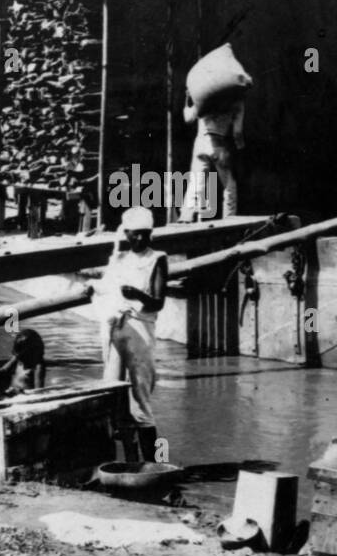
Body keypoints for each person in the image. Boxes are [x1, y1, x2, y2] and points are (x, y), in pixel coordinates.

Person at [94, 205, 168, 460]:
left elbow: (158, 302)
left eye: (144, 233)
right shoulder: (120, 260)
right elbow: (106, 288)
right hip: (117, 328)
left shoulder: (157, 258)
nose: (139, 238)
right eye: (134, 233)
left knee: (141, 400)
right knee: (115, 394)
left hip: (140, 329)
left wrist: (137, 294)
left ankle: (154, 462)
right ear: (126, 234)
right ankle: (130, 462)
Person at [178, 87, 244, 221]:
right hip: (220, 143)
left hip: (201, 143)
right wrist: (239, 146)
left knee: (196, 182)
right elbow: (237, 132)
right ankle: (229, 218)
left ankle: (186, 216)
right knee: (229, 185)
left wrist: (188, 99)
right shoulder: (236, 100)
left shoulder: (204, 95)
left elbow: (188, 118)